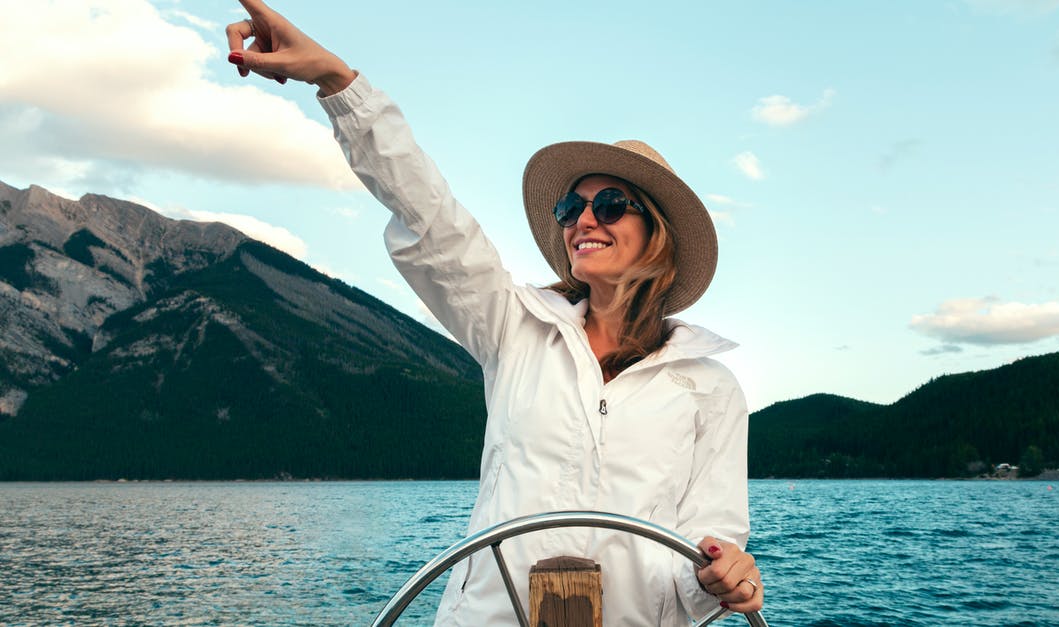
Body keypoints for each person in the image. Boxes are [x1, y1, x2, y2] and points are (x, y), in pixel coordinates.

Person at [225, 1, 764, 624]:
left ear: (659, 234)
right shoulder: (514, 327)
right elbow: (433, 223)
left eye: (611, 204)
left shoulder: (710, 389)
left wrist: (726, 573)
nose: (584, 220)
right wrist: (339, 83)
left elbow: (705, 557)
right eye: (571, 207)